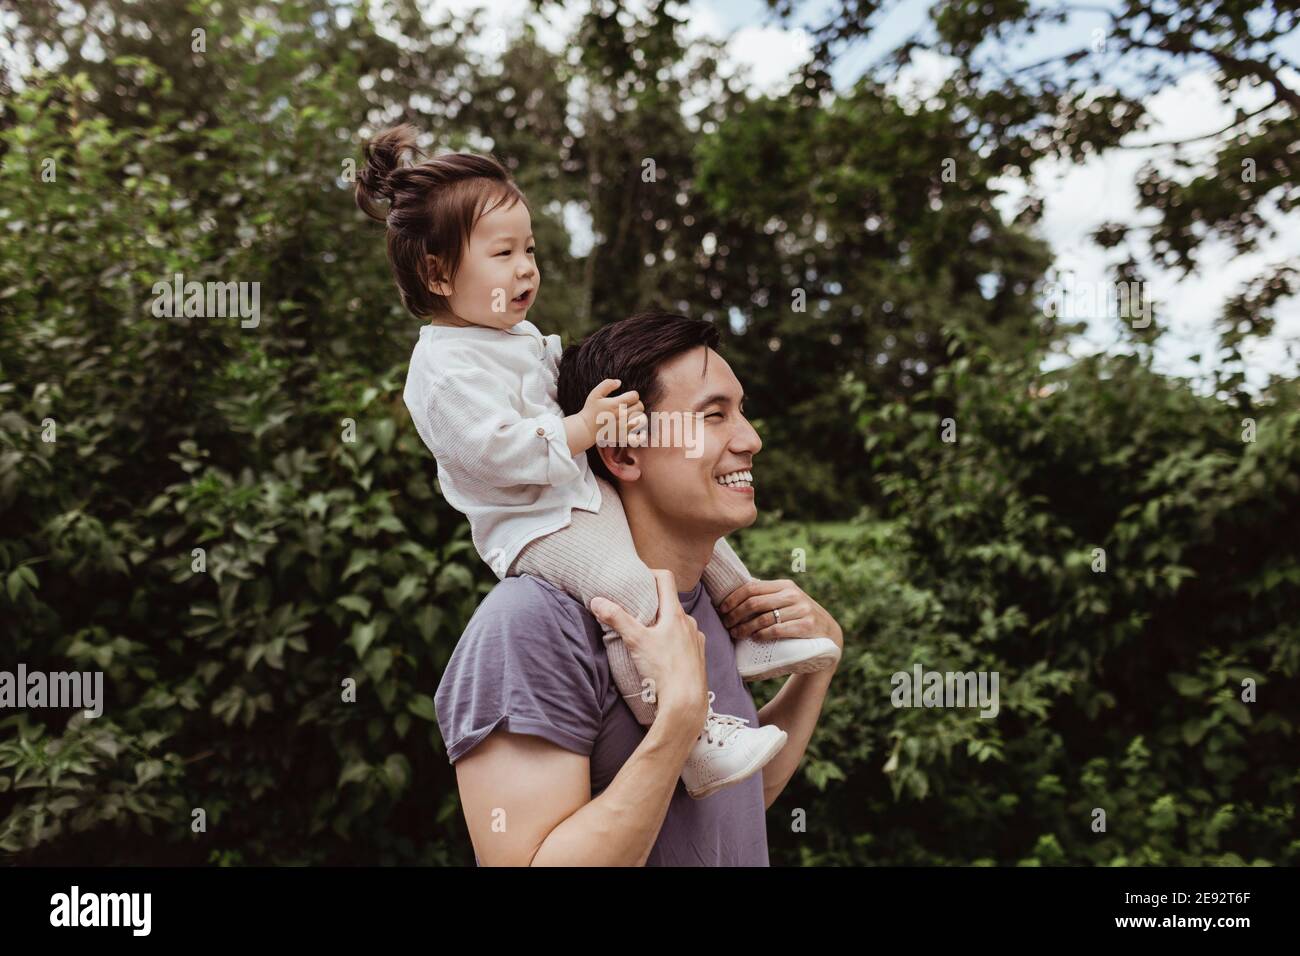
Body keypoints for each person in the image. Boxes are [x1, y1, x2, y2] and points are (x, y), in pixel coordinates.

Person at [355, 124, 840, 804]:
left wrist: (812, 673)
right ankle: (693, 733)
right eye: (504, 253)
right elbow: (494, 450)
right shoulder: (442, 367)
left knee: (715, 556)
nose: (527, 268)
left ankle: (753, 628)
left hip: (575, 493)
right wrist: (583, 427)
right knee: (629, 593)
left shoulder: (518, 339)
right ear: (438, 272)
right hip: (536, 523)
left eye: (530, 249)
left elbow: (744, 807)